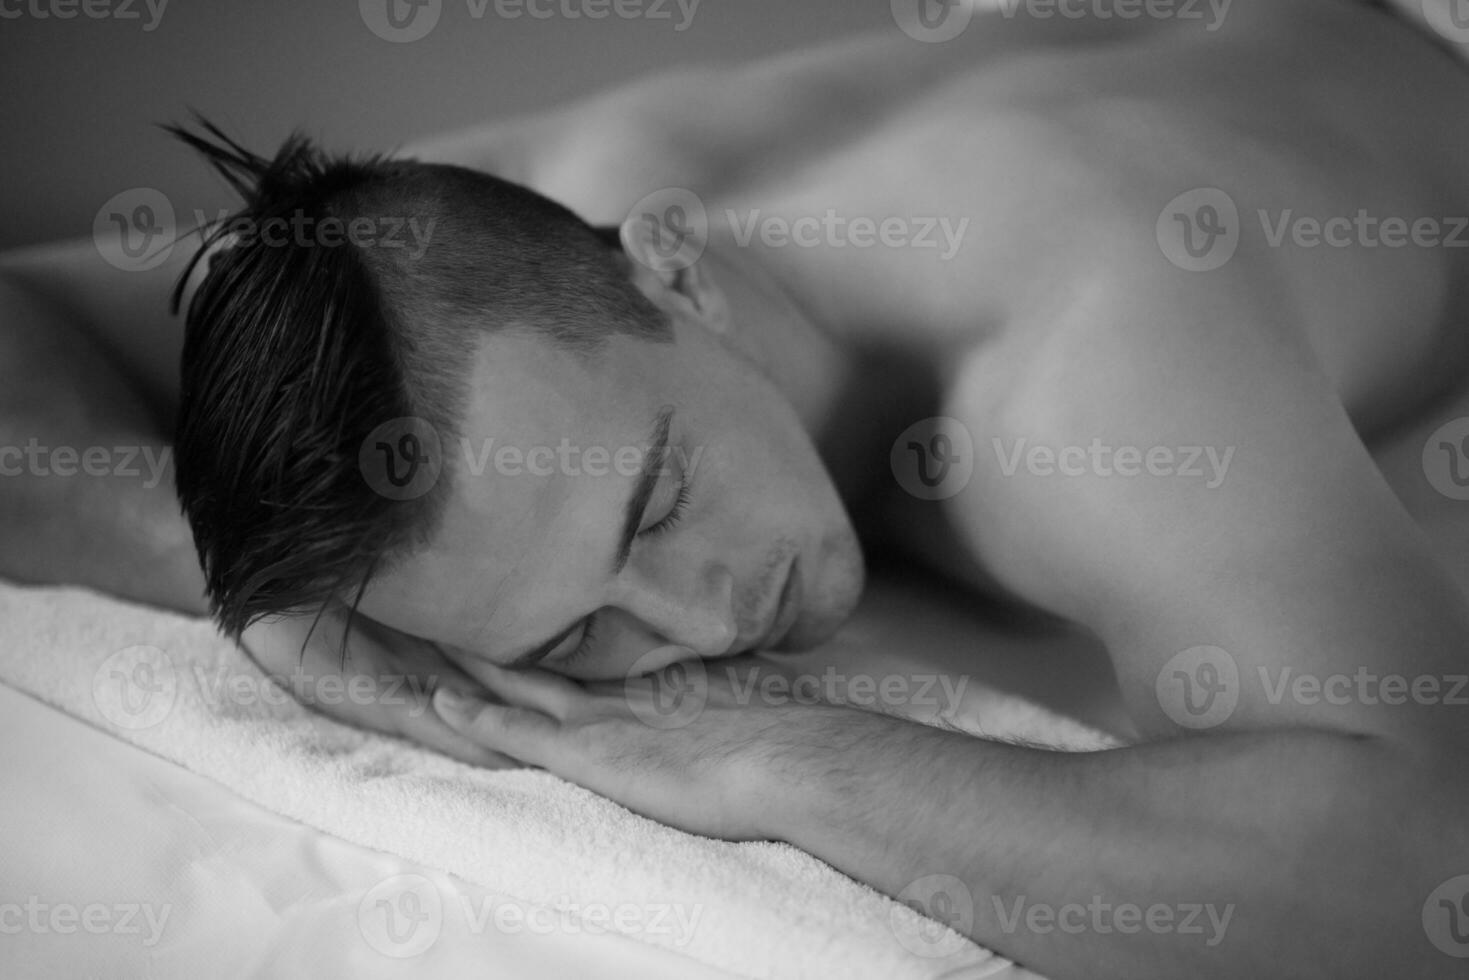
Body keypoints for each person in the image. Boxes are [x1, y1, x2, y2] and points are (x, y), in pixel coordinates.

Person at [3, 2, 1467, 976]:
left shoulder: (1077, 371)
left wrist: (788, 766)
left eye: (651, 504)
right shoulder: (462, 260)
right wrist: (272, 612)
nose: (699, 621)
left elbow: (1424, 863)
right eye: (578, 635)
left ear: (676, 270)